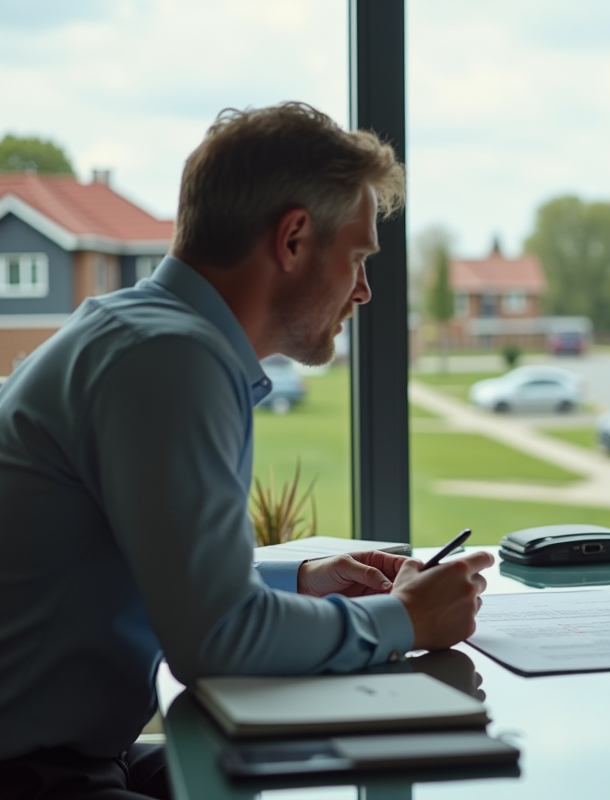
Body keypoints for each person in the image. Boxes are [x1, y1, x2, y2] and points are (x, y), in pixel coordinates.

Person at [0, 102, 493, 799]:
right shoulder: (169, 359)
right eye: (356, 257)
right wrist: (405, 619)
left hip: (67, 758)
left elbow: (176, 581)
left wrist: (302, 580)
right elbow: (216, 641)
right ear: (293, 239)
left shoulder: (142, 334)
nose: (365, 289)